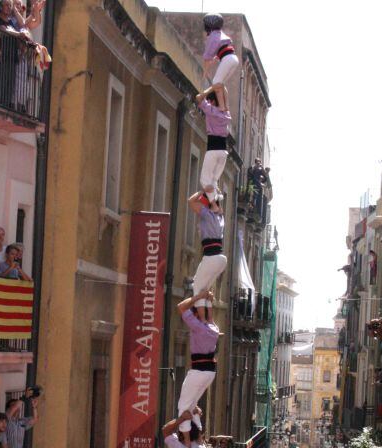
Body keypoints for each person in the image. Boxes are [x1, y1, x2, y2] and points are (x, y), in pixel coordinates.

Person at [176, 290, 219, 446]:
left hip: (199, 371)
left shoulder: (198, 326)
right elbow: (210, 316)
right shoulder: (214, 328)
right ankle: (198, 437)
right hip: (209, 372)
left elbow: (181, 307)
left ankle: (187, 442)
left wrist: (199, 297)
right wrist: (209, 301)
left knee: (183, 405)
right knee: (192, 405)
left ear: (195, 315)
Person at [188, 191, 226, 323]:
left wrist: (203, 191)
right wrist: (212, 195)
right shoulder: (220, 217)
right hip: (220, 259)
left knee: (197, 288)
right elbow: (218, 208)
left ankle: (203, 320)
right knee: (206, 290)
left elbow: (191, 201)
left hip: (211, 257)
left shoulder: (208, 214)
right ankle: (210, 320)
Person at [196, 90, 231, 204]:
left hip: (213, 149)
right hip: (223, 152)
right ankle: (217, 201)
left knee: (205, 180)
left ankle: (214, 205)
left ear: (212, 101)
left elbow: (198, 97)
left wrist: (212, 88)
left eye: (209, 101)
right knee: (214, 180)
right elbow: (224, 93)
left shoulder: (210, 110)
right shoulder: (226, 115)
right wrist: (221, 89)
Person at [201, 13, 238, 111]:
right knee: (220, 83)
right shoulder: (221, 34)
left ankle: (222, 106)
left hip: (227, 59)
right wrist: (215, 59)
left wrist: (204, 74)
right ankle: (226, 107)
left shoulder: (213, 36)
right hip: (233, 58)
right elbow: (223, 49)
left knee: (216, 82)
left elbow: (207, 58)